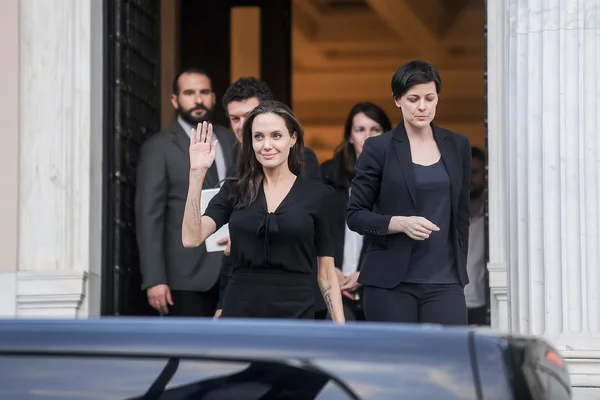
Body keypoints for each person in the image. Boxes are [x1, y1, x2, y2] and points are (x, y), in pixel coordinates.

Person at [181, 100, 345, 322]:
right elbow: (192, 238)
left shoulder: (319, 196)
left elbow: (326, 273)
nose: (266, 145)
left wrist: (340, 328)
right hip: (240, 309)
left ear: (293, 139)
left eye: (276, 135)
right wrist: (196, 173)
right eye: (258, 137)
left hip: (296, 311)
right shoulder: (235, 188)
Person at [346, 60, 472, 325]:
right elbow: (355, 215)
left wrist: (460, 268)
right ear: (397, 100)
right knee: (395, 364)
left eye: (430, 98)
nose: (422, 107)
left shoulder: (458, 145)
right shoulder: (378, 148)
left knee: (447, 362)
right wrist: (399, 223)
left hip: (445, 280)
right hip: (390, 283)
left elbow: (461, 214)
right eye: (413, 99)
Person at [213, 77, 323, 318]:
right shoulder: (236, 172)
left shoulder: (304, 159)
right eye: (235, 119)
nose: (242, 125)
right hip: (244, 296)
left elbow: (313, 227)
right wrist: (223, 302)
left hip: (296, 296)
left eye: (248, 116)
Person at [135, 68, 237, 317]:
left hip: (231, 268)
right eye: (189, 93)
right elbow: (149, 217)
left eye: (204, 92)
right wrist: (154, 279)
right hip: (183, 276)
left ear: (213, 97)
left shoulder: (231, 139)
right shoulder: (158, 147)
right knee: (188, 353)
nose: (198, 99)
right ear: (175, 100)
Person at [320, 102, 392, 321]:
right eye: (360, 130)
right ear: (350, 136)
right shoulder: (327, 176)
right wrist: (331, 270)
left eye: (375, 130)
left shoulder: (398, 179)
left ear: (386, 134)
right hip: (335, 288)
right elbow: (315, 230)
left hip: (382, 289)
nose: (367, 137)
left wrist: (366, 274)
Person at [464, 146, 488, 325]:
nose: (469, 178)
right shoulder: (444, 216)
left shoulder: (495, 220)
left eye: (474, 172)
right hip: (450, 304)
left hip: (484, 305)